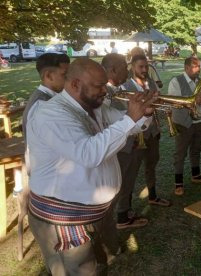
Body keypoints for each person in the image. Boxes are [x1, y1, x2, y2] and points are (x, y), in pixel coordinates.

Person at [26, 58, 156, 274]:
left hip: (89, 215)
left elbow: (129, 125)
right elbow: (88, 154)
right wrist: (129, 120)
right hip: (64, 221)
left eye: (105, 84)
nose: (105, 90)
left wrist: (145, 113)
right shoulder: (51, 114)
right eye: (99, 86)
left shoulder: (94, 106)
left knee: (96, 267)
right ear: (75, 84)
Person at [120, 54, 170, 222]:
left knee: (152, 164)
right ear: (132, 67)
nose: (144, 70)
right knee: (129, 174)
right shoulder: (125, 86)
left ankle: (153, 196)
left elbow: (157, 103)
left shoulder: (151, 83)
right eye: (140, 67)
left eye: (146, 67)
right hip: (134, 137)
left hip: (152, 132)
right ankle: (124, 210)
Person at [168, 56, 201, 196]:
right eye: (195, 66)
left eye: (199, 66)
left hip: (199, 121)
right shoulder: (176, 81)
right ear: (186, 68)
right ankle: (178, 183)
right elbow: (175, 102)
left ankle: (196, 175)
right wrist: (194, 100)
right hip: (183, 123)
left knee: (196, 150)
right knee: (180, 154)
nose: (198, 69)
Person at [22, 53, 70, 141]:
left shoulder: (51, 98)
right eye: (65, 74)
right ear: (49, 76)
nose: (70, 79)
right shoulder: (42, 104)